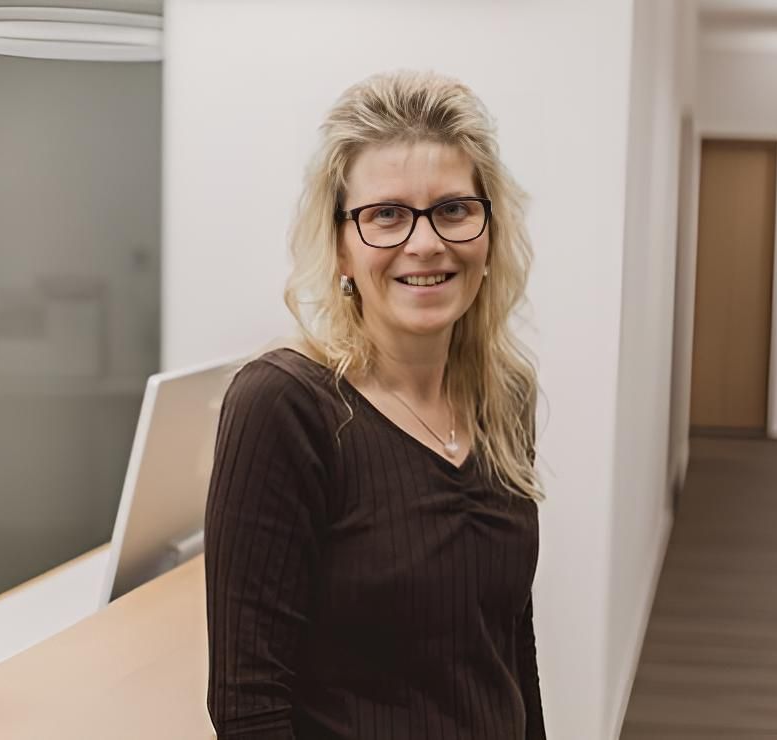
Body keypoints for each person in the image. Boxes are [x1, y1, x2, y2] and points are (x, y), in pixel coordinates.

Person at [204, 70, 546, 739]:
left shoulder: (504, 397)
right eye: (386, 215)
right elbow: (249, 709)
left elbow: (509, 644)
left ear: (489, 231)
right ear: (340, 245)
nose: (426, 243)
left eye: (453, 209)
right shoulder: (285, 407)